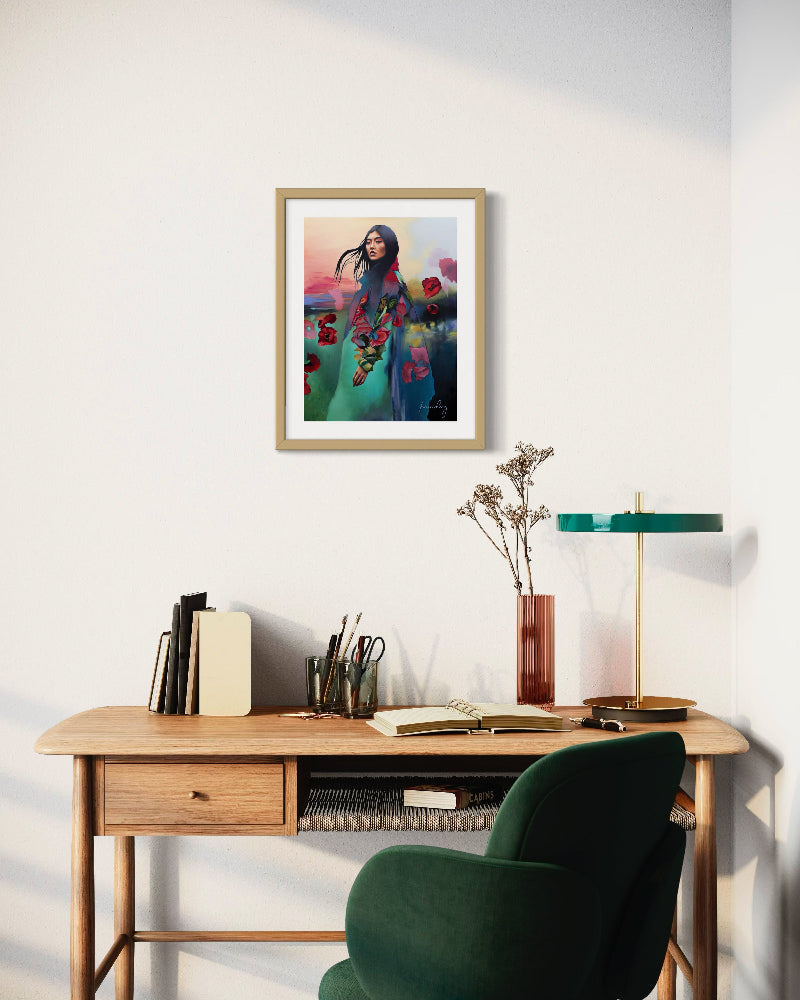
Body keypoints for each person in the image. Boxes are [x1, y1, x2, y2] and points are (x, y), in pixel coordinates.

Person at [325, 224, 434, 421]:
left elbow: (385, 322)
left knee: (360, 410)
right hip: (359, 354)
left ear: (389, 246)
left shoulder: (392, 280)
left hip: (373, 362)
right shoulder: (375, 277)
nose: (371, 246)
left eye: (378, 241)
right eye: (368, 242)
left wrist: (366, 363)